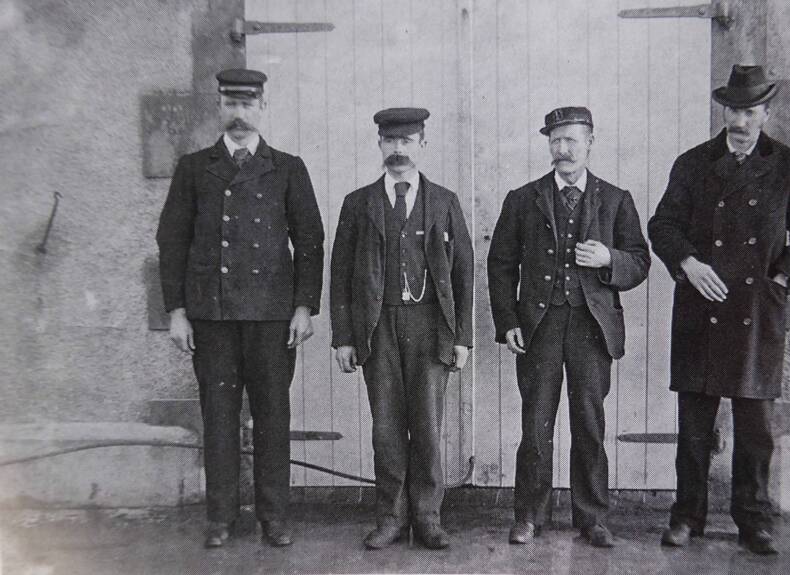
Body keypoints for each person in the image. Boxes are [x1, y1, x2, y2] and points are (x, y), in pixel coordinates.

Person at [648, 65, 790, 555]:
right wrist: (687, 262)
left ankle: (754, 521)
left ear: (766, 113)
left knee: (755, 430)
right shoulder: (692, 164)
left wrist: (781, 279)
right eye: (733, 110)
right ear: (723, 112)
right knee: (693, 429)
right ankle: (687, 516)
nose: (740, 120)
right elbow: (662, 224)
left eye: (750, 111)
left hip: (755, 310)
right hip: (700, 306)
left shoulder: (789, 166)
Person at [156, 69, 324, 548]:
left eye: (248, 104)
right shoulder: (194, 167)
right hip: (213, 317)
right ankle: (221, 517)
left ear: (263, 106)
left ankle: (275, 517)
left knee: (273, 418)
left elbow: (310, 241)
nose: (239, 113)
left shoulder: (288, 167)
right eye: (231, 103)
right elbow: (171, 241)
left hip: (272, 317)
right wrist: (176, 311)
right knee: (219, 418)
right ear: (219, 107)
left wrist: (304, 306)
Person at [487, 107, 650, 547]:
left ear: (590, 141)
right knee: (535, 424)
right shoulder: (523, 198)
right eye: (555, 141)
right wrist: (507, 323)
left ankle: (592, 516)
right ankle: (529, 516)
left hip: (592, 327)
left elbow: (640, 261)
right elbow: (500, 265)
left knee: (589, 423)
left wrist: (608, 260)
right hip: (539, 325)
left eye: (571, 140)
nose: (562, 150)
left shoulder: (616, 199)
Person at [330, 108, 474, 550]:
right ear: (379, 145)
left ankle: (428, 518)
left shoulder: (444, 201)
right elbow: (339, 274)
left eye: (407, 141)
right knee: (386, 427)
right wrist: (345, 337)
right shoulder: (359, 203)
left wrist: (462, 337)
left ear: (422, 145)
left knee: (428, 427)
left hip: (431, 327)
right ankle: (391, 517)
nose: (398, 150)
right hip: (378, 328)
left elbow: (465, 271)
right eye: (390, 141)